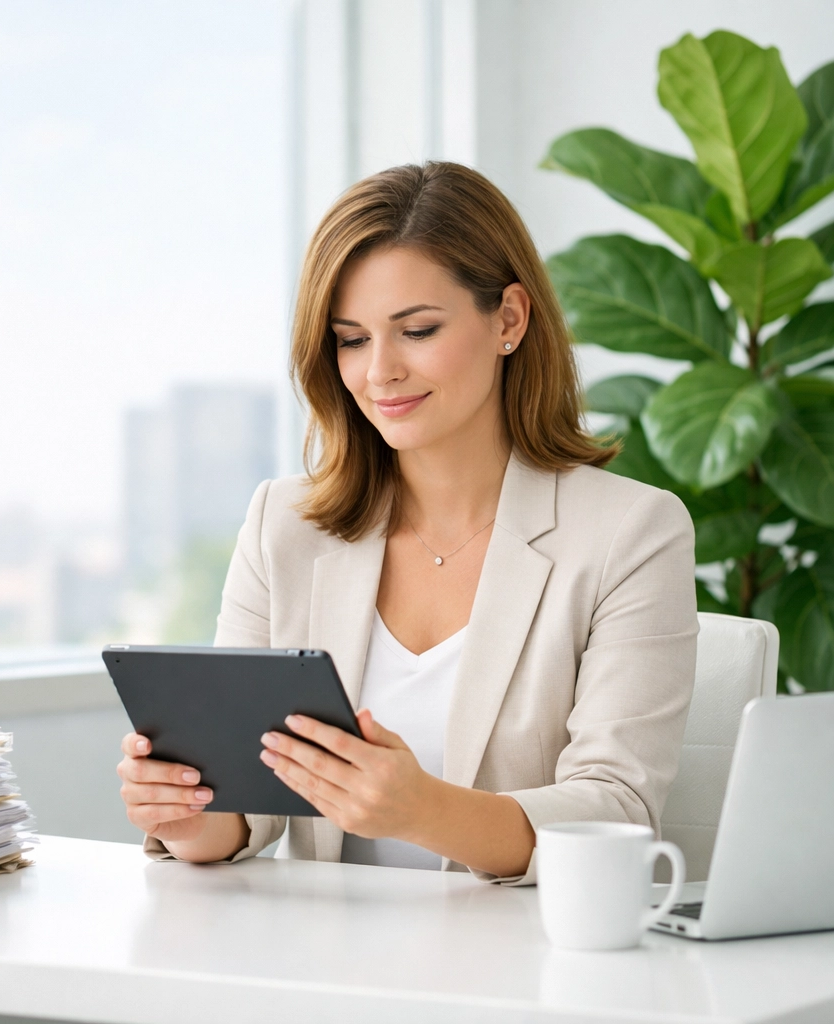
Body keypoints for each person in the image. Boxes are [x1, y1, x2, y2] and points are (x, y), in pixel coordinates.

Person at [117, 162, 698, 884]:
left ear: (509, 320)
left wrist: (420, 808)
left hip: (524, 970)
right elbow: (250, 806)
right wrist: (188, 813)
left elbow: (617, 812)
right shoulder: (284, 525)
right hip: (331, 966)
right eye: (351, 339)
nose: (379, 371)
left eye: (416, 330)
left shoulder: (631, 533)